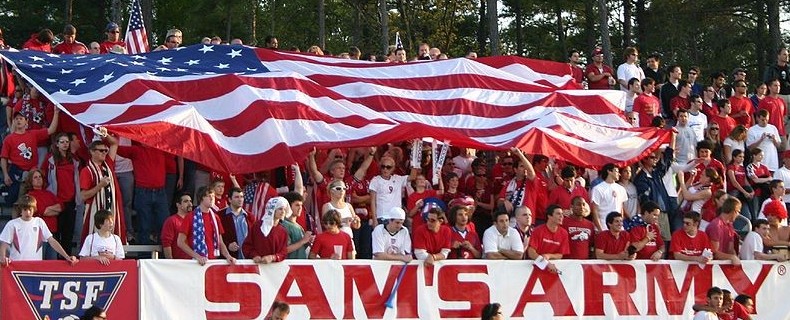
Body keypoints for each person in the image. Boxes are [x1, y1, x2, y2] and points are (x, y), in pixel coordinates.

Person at [0, 195, 78, 266]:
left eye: (30, 209)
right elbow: (4, 243)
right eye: (25, 209)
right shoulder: (12, 224)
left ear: (34, 209)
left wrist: (66, 256)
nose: (28, 212)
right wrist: (2, 257)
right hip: (17, 265)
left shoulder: (39, 222)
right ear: (20, 210)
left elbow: (51, 240)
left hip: (35, 266)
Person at [2, 108, 59, 205]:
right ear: (14, 122)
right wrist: (5, 174)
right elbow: (3, 158)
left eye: (21, 118)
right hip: (17, 174)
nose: (18, 120)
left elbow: (51, 130)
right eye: (16, 119)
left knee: (33, 203)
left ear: (26, 121)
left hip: (32, 175)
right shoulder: (9, 139)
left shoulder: (33, 134)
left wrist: (56, 112)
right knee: (17, 204)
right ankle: (15, 220)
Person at [79, 130, 126, 245]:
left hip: (112, 209)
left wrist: (105, 135)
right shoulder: (87, 171)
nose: (104, 153)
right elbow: (83, 196)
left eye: (106, 150)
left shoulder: (108, 164)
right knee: (95, 241)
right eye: (101, 151)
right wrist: (100, 186)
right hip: (95, 211)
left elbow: (114, 143)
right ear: (92, 152)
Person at [176, 186, 236, 265]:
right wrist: (197, 256)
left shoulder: (216, 217)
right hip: (196, 262)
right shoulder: (190, 217)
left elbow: (220, 242)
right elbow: (180, 242)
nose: (212, 199)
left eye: (213, 196)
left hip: (212, 262)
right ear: (201, 198)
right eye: (209, 196)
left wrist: (228, 256)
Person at [44, 132, 80, 255]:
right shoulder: (50, 159)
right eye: (62, 142)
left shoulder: (74, 160)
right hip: (56, 200)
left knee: (68, 233)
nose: (65, 144)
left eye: (67, 142)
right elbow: (43, 176)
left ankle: (67, 259)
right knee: (56, 232)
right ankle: (55, 261)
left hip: (70, 201)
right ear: (57, 144)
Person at [22, 169, 62, 259]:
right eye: (35, 177)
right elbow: (42, 211)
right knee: (40, 262)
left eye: (40, 177)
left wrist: (48, 209)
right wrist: (49, 210)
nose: (38, 179)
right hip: (38, 235)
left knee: (52, 264)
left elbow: (60, 207)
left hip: (52, 234)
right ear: (31, 181)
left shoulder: (49, 194)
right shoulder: (30, 196)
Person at [243, 197, 290, 263]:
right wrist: (254, 255)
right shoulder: (257, 226)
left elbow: (283, 252)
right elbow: (247, 246)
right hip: (256, 268)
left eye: (284, 209)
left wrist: (273, 257)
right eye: (280, 209)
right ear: (272, 209)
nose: (283, 212)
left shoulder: (283, 231)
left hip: (274, 269)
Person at [527, 205, 569, 273]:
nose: (561, 216)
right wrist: (546, 263)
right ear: (549, 216)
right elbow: (531, 252)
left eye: (562, 214)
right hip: (534, 269)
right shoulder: (538, 230)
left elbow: (560, 255)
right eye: (558, 214)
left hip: (553, 269)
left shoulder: (564, 233)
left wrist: (548, 255)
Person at [590, 163, 627, 231]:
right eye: (616, 171)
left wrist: (620, 225)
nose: (619, 174)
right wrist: (600, 229)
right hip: (603, 227)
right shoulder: (598, 189)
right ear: (609, 171)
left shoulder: (621, 189)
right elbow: (595, 211)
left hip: (618, 229)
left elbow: (621, 208)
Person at [706, 196, 741, 264]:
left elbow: (730, 250)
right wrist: (732, 257)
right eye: (738, 212)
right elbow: (714, 253)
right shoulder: (716, 226)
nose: (738, 215)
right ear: (734, 211)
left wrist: (735, 257)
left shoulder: (729, 225)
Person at [220, 187, 252, 259]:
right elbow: (216, 237)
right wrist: (228, 245)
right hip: (229, 259)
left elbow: (255, 237)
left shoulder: (250, 217)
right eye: (237, 197)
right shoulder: (220, 216)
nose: (240, 199)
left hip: (248, 259)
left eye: (242, 197)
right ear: (229, 200)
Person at [280, 192, 312, 259]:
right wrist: (303, 241)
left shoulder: (299, 226)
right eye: (297, 205)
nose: (300, 208)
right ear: (288, 206)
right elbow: (284, 250)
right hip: (288, 266)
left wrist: (308, 241)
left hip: (300, 265)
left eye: (301, 205)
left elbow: (300, 247)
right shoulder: (283, 225)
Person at [161, 192, 192, 259]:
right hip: (178, 262)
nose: (190, 204)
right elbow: (166, 243)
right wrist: (171, 262)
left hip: (194, 262)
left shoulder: (194, 220)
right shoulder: (171, 221)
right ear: (178, 205)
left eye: (190, 201)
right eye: (186, 201)